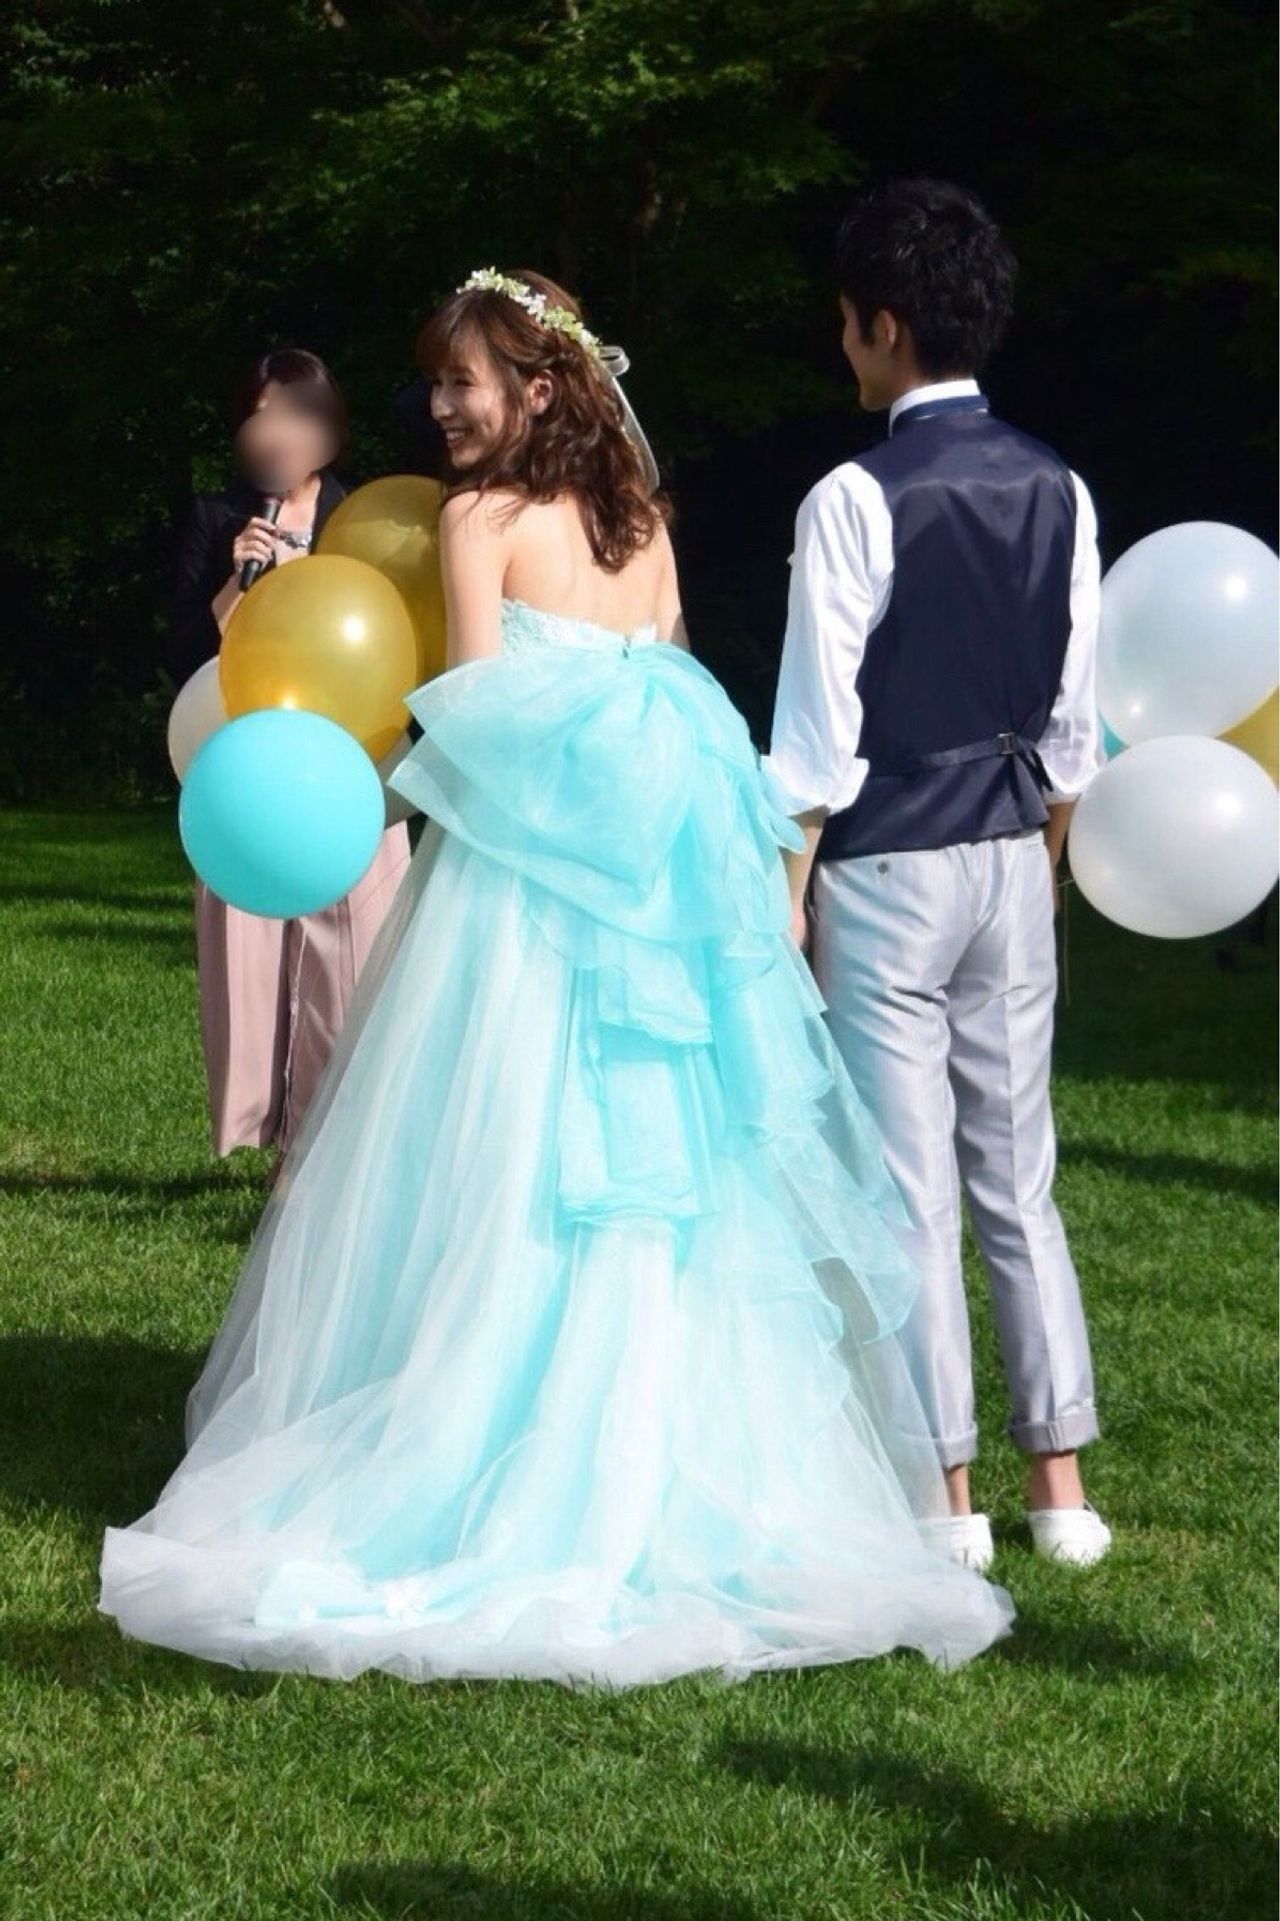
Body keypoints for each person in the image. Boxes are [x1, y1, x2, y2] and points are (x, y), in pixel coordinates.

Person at [99, 271, 1013, 1688]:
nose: (440, 407)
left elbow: (478, 723)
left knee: (504, 1164)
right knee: (657, 1183)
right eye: (437, 381)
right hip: (648, 900)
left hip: (518, 899)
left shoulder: (476, 521)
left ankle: (479, 1453)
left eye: (462, 381)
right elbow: (673, 688)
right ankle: (658, 1468)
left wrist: (386, 782)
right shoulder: (639, 522)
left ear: (539, 386)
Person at [767, 179, 1111, 1572]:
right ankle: (1060, 1487)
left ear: (885, 325)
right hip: (1015, 854)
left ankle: (942, 1500)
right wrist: (1042, 864)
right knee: (1019, 1177)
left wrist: (787, 889)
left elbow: (814, 739)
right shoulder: (1061, 485)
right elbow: (1075, 722)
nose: (842, 342)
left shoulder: (853, 495)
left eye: (848, 321)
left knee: (909, 1189)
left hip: (888, 864)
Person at [167, 348, 410, 1167]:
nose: (283, 432)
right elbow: (186, 652)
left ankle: (333, 1132)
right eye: (265, 413)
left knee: (353, 953)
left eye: (302, 412)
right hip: (251, 767)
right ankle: (254, 1131)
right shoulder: (218, 521)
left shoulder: (363, 520)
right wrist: (237, 580)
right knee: (247, 953)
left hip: (351, 760)